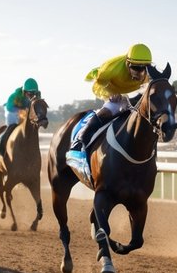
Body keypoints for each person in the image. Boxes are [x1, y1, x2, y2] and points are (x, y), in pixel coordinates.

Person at [66, 44, 154, 175]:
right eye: (135, 67)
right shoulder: (110, 70)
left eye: (144, 68)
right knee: (110, 109)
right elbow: (101, 84)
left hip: (133, 94)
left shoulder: (150, 72)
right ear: (127, 63)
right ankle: (79, 142)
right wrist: (112, 94)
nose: (140, 72)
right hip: (111, 89)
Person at [0, 78, 41, 155]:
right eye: (29, 94)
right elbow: (13, 109)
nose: (32, 96)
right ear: (24, 92)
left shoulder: (37, 95)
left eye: (34, 93)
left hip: (23, 110)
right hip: (11, 110)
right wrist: (22, 111)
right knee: (11, 126)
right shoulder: (17, 96)